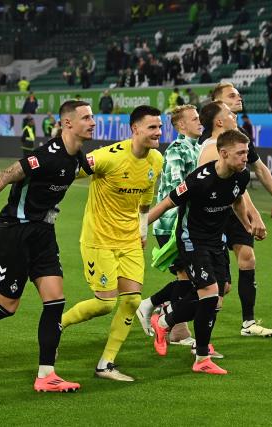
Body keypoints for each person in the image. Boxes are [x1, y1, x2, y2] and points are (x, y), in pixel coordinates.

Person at [0, 100, 95, 392]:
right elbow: (2, 178)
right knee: (7, 306)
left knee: (55, 300)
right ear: (67, 123)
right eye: (86, 117)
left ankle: (46, 375)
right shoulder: (44, 157)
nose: (92, 122)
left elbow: (95, 170)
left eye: (92, 117)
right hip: (15, 233)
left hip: (44, 234)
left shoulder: (78, 157)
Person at [147, 129, 264, 374]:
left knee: (218, 296)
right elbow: (167, 202)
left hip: (215, 241)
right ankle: (199, 356)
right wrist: (140, 228)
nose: (246, 157)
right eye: (241, 153)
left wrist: (247, 224)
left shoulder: (240, 176)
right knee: (209, 293)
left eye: (247, 152)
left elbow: (237, 199)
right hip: (192, 240)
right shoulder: (199, 180)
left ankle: (167, 322)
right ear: (223, 153)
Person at [61, 105, 163, 382]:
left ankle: (106, 364)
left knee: (131, 301)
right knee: (105, 304)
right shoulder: (107, 157)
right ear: (135, 129)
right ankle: (57, 326)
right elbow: (66, 170)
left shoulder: (156, 160)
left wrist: (143, 231)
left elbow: (145, 202)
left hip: (130, 240)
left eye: (160, 126)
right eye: (152, 127)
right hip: (99, 240)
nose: (159, 132)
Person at [199, 82, 272, 336]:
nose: (238, 100)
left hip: (234, 206)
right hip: (212, 212)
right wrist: (254, 213)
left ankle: (248, 322)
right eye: (231, 97)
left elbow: (257, 170)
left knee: (248, 258)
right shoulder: (209, 143)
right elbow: (231, 184)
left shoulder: (239, 139)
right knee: (219, 285)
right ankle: (170, 311)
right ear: (217, 105)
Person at [137, 104, 203, 346]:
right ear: (181, 125)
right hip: (171, 223)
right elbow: (177, 187)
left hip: (186, 223)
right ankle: (162, 316)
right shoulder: (177, 149)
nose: (200, 122)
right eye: (195, 119)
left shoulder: (197, 148)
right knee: (188, 278)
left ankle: (160, 314)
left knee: (187, 278)